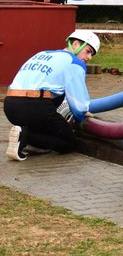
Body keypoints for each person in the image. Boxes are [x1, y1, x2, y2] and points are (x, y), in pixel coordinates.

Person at [4, 30, 100, 161]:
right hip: (34, 107)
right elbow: (78, 102)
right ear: (76, 44)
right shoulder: (75, 62)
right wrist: (82, 114)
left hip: (10, 106)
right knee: (69, 142)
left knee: (56, 99)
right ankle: (25, 137)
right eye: (88, 51)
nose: (89, 58)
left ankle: (27, 138)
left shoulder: (42, 54)